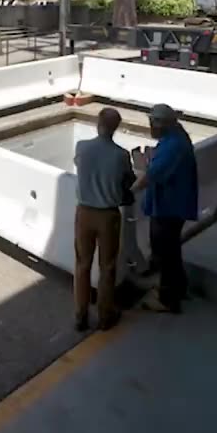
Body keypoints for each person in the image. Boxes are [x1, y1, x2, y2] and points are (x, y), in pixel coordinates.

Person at [72, 107, 135, 331]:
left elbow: (80, 165)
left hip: (84, 213)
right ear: (116, 128)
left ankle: (80, 315)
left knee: (82, 264)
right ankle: (105, 316)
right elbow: (129, 180)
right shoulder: (121, 155)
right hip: (108, 216)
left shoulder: (82, 147)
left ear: (97, 124)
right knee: (107, 267)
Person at [132, 104, 198, 314]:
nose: (150, 126)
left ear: (162, 124)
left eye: (153, 122)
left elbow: (152, 175)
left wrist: (129, 192)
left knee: (164, 253)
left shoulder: (173, 146)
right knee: (172, 251)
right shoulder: (177, 137)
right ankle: (179, 288)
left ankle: (168, 299)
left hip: (168, 208)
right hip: (174, 205)